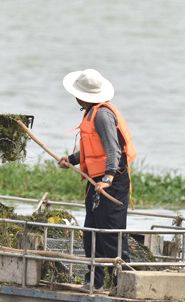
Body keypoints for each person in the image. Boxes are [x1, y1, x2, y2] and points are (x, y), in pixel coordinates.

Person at [58, 69, 137, 290]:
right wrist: (72, 160)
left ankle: (124, 282)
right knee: (91, 232)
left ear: (82, 96)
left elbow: (113, 150)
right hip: (97, 182)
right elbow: (93, 148)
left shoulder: (102, 115)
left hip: (111, 182)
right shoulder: (91, 113)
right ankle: (95, 280)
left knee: (110, 233)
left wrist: (109, 177)